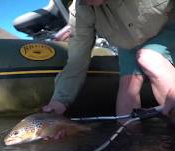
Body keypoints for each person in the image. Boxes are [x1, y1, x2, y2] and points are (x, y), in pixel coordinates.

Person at [43, 0, 175, 122]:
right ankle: (128, 140)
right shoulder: (79, 12)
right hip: (128, 43)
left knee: (149, 58)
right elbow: (77, 61)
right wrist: (58, 103)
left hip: (168, 28)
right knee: (128, 88)